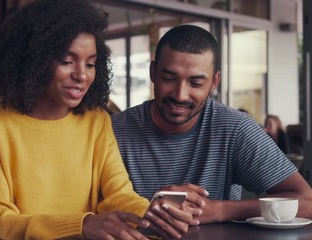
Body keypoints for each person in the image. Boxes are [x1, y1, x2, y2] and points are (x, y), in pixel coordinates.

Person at [0, 1, 192, 239]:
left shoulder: (96, 120)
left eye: (90, 64)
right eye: (67, 61)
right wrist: (81, 226)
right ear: (35, 60)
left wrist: (149, 215)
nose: (82, 75)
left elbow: (118, 195)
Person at [111, 24, 312, 224]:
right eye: (169, 78)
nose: (180, 95)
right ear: (153, 72)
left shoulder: (234, 128)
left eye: (196, 83)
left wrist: (221, 210)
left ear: (214, 82)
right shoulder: (114, 131)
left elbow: (307, 202)